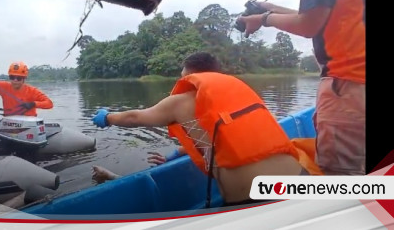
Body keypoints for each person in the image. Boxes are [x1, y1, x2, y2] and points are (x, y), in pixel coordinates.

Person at [91, 51, 319, 206]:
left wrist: (107, 118)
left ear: (190, 75)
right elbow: (225, 138)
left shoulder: (182, 100)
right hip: (300, 180)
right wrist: (175, 154)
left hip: (254, 202)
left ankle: (112, 178)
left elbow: (134, 117)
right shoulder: (238, 90)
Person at [237, 0, 365, 175]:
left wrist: (263, 19)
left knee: (341, 177)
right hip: (356, 87)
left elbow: (309, 25)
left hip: (347, 86)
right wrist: (269, 9)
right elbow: (319, 17)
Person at [0, 62, 54, 148]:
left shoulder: (32, 91)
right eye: (12, 77)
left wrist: (33, 104)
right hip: (8, 124)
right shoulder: (4, 87)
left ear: (24, 79)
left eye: (18, 78)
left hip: (27, 126)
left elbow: (49, 104)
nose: (15, 80)